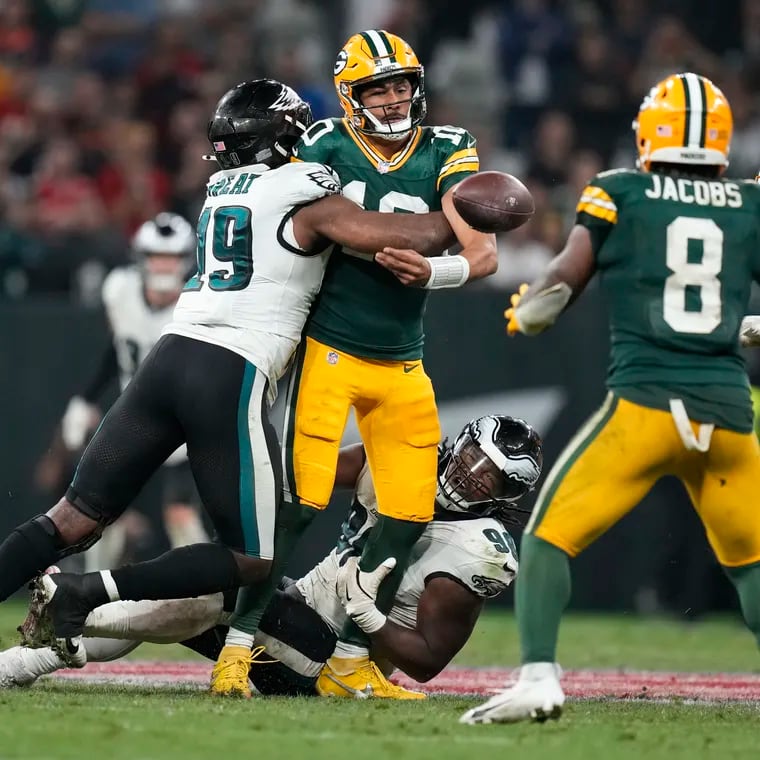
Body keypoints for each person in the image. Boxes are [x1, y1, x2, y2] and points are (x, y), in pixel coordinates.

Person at [0, 79, 455, 672]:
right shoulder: (304, 188)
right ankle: (88, 592)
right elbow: (404, 234)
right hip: (227, 371)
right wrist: (461, 210)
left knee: (70, 519)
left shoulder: (219, 186)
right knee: (251, 559)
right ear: (286, 138)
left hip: (167, 359)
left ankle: (79, 590)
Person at [460, 72, 760, 726]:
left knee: (546, 540)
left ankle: (539, 677)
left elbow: (565, 275)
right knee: (751, 568)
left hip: (648, 405)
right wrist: (741, 327)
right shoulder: (749, 203)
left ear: (649, 134)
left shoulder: (620, 191)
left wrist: (533, 311)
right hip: (728, 412)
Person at [213, 29, 499, 700]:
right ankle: (235, 649)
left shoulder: (449, 147)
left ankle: (347, 658)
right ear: (351, 96)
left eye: (401, 84)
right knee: (295, 509)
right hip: (331, 351)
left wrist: (435, 269)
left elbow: (482, 255)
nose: (395, 98)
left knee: (403, 513)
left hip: (402, 362)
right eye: (379, 88)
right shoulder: (322, 148)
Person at [3, 416, 543, 696]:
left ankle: (70, 611)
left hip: (334, 665)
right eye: (473, 456)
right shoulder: (404, 465)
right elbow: (308, 477)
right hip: (297, 612)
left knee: (224, 586)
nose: (471, 474)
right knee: (194, 588)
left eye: (489, 476)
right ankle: (40, 653)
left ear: (503, 494)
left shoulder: (479, 548)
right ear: (460, 442)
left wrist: (370, 616)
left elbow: (427, 662)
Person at [58, 212, 208, 568]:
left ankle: (210, 600)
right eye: (157, 256)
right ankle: (90, 594)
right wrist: (86, 398)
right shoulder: (120, 289)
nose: (163, 265)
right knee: (99, 509)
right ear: (141, 258)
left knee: (182, 517)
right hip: (134, 416)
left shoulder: (198, 301)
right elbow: (119, 346)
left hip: (187, 422)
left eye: (170, 257)